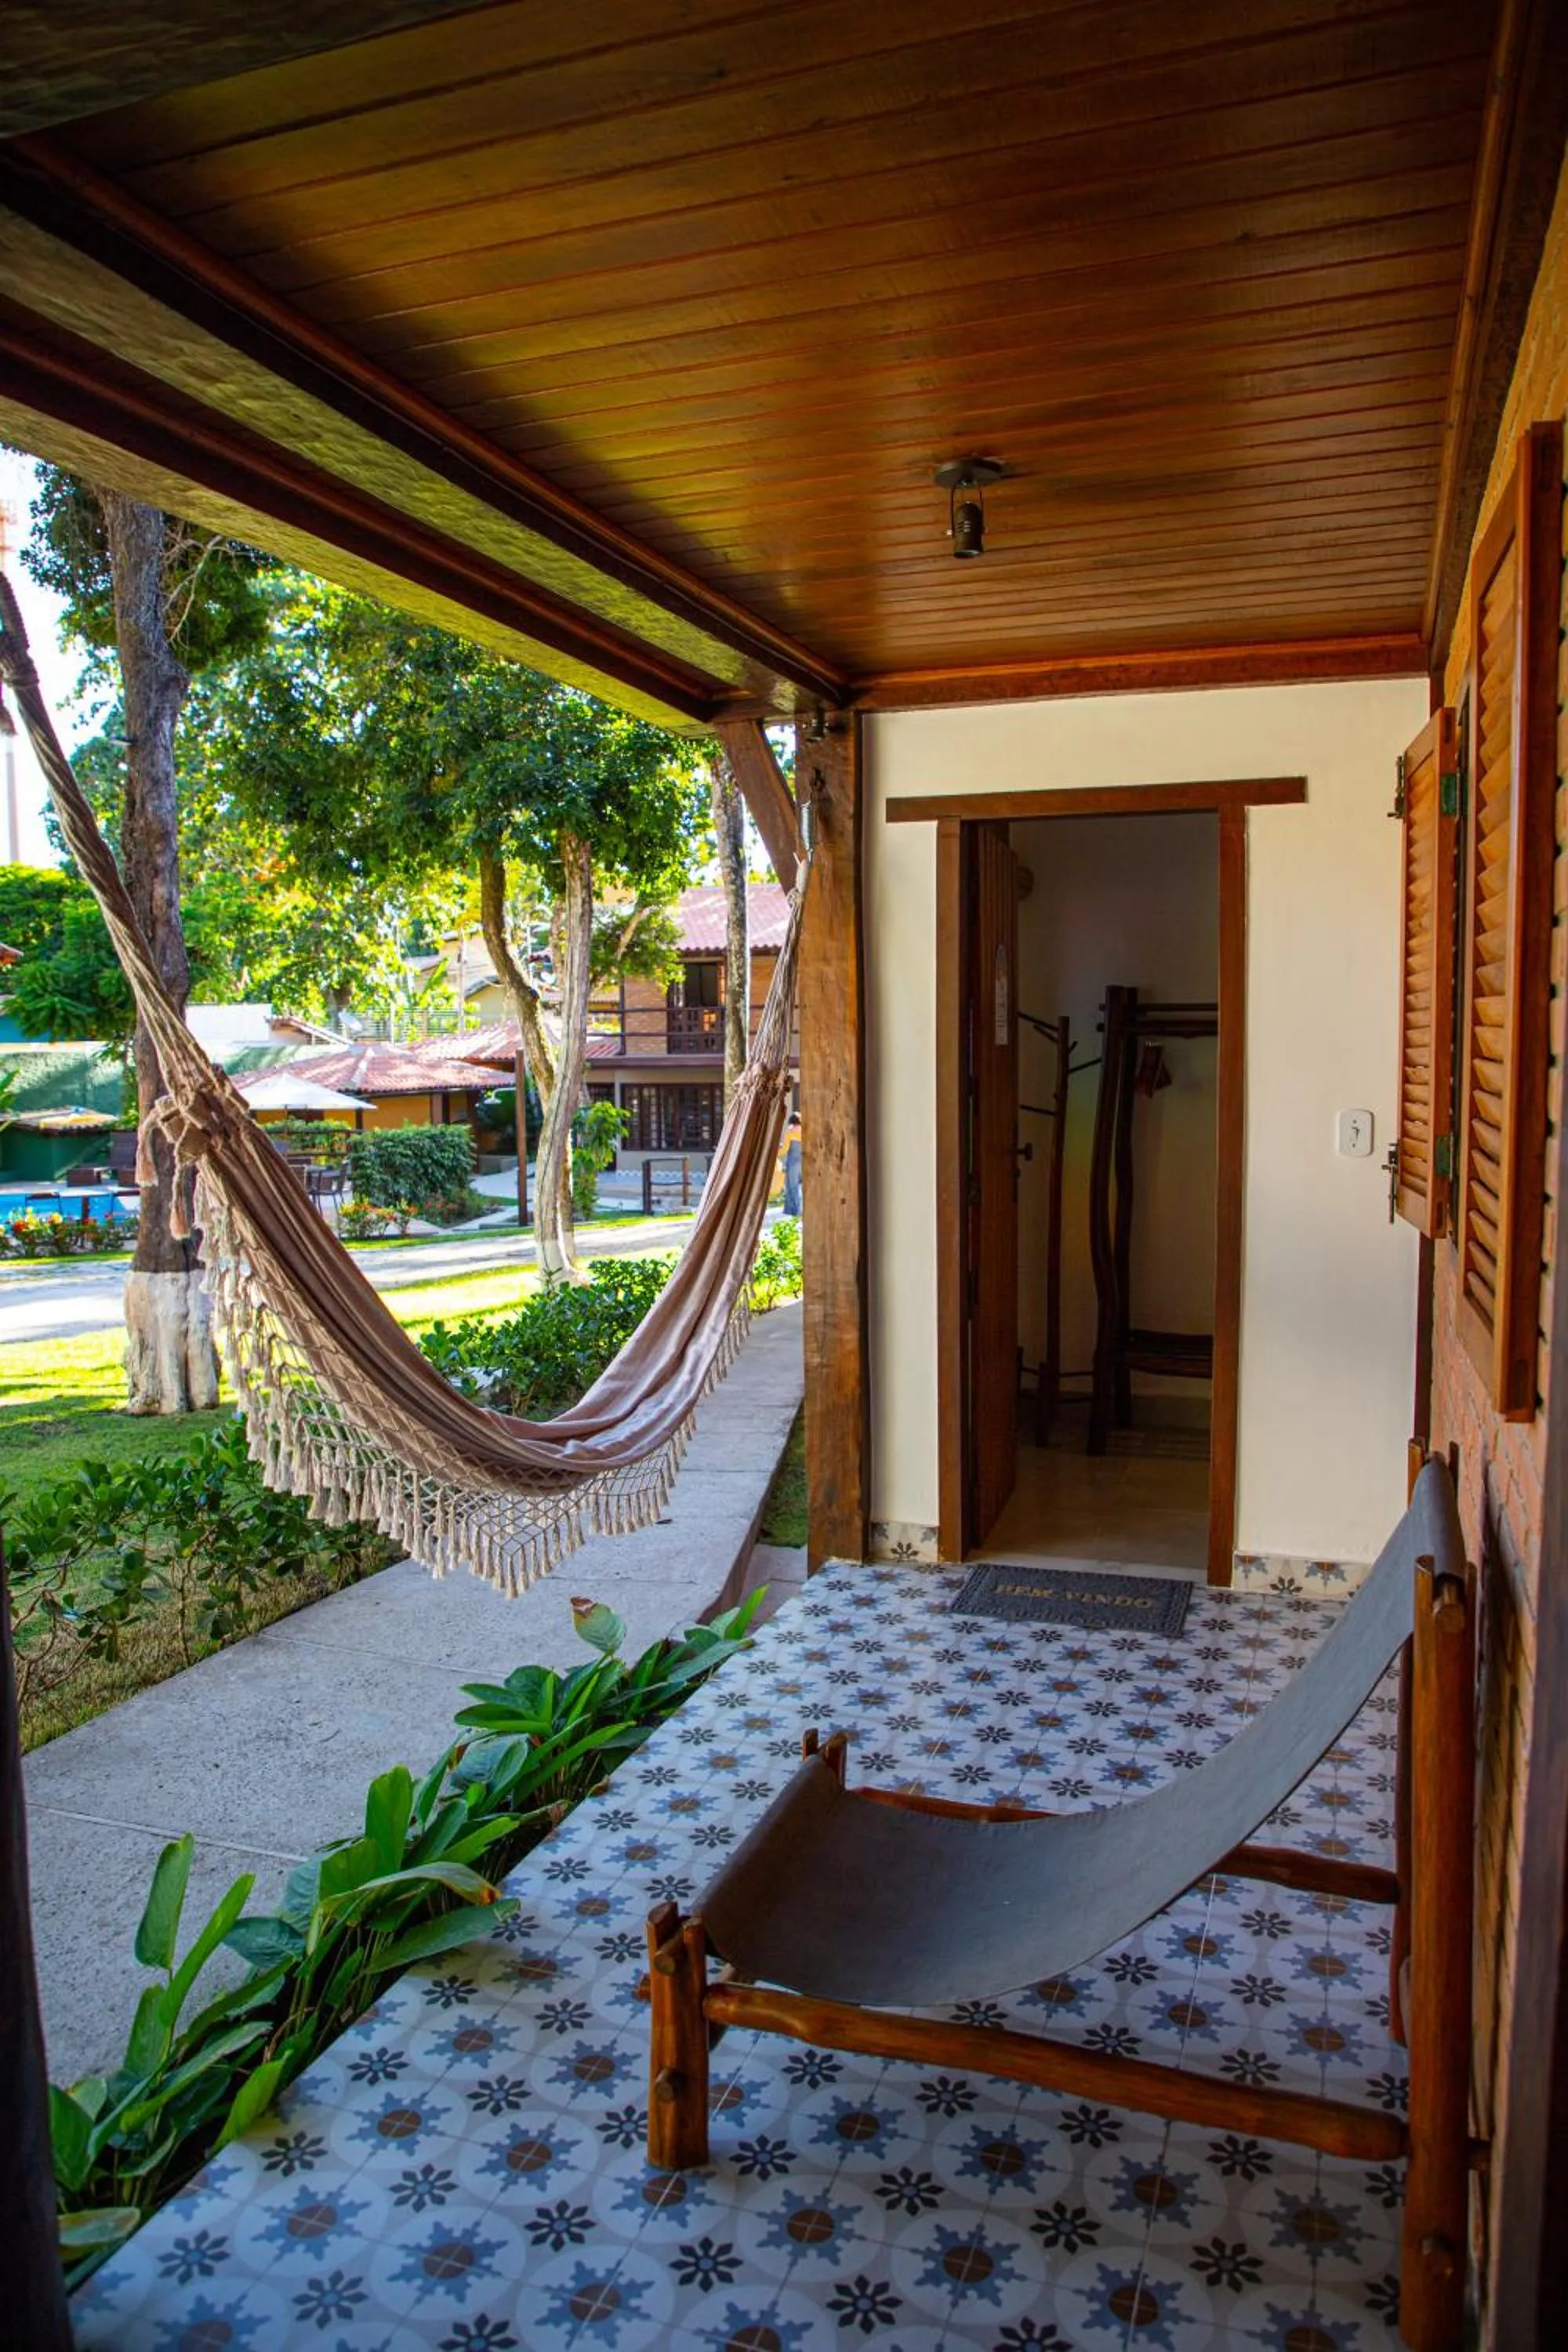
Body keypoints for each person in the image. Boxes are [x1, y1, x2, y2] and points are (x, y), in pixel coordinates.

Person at [780, 1112, 803, 1218]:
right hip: (802, 1161)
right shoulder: (804, 1130)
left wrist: (775, 1151)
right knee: (799, 1186)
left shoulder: (790, 1131)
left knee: (791, 1186)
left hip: (792, 1162)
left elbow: (784, 1150)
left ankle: (796, 1210)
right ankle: (795, 1209)